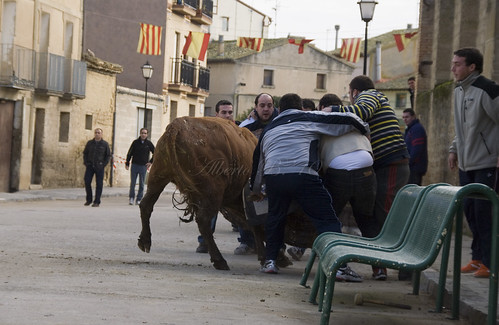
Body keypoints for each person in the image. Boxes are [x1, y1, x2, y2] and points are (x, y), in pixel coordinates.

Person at [251, 93, 369, 281]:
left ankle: (270, 262)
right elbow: (347, 120)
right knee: (326, 219)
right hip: (302, 175)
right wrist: (363, 128)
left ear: (279, 109)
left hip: (274, 177)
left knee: (275, 218)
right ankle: (338, 267)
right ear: (300, 107)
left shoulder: (269, 128)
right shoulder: (308, 117)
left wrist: (256, 189)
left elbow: (258, 162)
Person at [323, 75, 409, 280]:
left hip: (391, 162)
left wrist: (330, 111)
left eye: (351, 95)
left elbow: (360, 112)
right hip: (383, 164)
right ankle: (381, 265)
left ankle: (403, 265)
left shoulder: (370, 95)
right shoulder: (374, 98)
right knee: (373, 215)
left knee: (385, 215)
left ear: (354, 92)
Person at [448, 47, 499, 278]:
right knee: (470, 212)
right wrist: (453, 150)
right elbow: (463, 128)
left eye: (458, 64)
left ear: (472, 67)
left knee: (483, 212)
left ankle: (491, 262)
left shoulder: (487, 90)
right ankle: (477, 259)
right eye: (453, 63)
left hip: (486, 162)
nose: (453, 68)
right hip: (465, 164)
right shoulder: (459, 90)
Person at [235, 93, 279, 256]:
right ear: (256, 107)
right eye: (262, 105)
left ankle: (276, 245)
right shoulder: (247, 126)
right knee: (246, 208)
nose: (266, 109)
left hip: (274, 172)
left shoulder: (279, 122)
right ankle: (246, 241)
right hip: (250, 174)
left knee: (273, 211)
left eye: (269, 105)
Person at [196, 100, 236, 253]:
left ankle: (249, 242)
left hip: (235, 178)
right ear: (217, 114)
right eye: (224, 112)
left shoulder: (238, 130)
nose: (227, 116)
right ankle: (205, 241)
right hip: (213, 179)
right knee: (209, 210)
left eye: (230, 112)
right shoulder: (207, 132)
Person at [125, 128, 155, 205]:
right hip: (135, 165)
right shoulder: (135, 142)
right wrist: (127, 163)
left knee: (141, 184)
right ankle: (131, 198)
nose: (143, 134)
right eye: (142, 133)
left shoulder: (148, 143)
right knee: (133, 183)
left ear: (147, 134)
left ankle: (139, 199)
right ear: (140, 133)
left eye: (145, 133)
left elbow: (155, 152)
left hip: (143, 166)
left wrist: (150, 162)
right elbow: (130, 153)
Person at [83, 128, 111, 207]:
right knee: (87, 181)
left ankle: (97, 201)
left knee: (99, 184)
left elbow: (108, 155)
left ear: (101, 134)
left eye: (99, 133)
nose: (97, 134)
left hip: (99, 166)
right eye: (96, 132)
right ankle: (89, 199)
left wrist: (103, 164)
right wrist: (86, 162)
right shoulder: (90, 143)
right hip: (90, 166)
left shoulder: (105, 144)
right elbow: (85, 153)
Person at [402, 108, 428, 185]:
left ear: (413, 117)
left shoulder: (417, 129)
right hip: (412, 167)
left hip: (415, 168)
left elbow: (417, 150)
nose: (405, 119)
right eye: (403, 117)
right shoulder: (410, 129)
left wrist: (408, 163)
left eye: (407, 117)